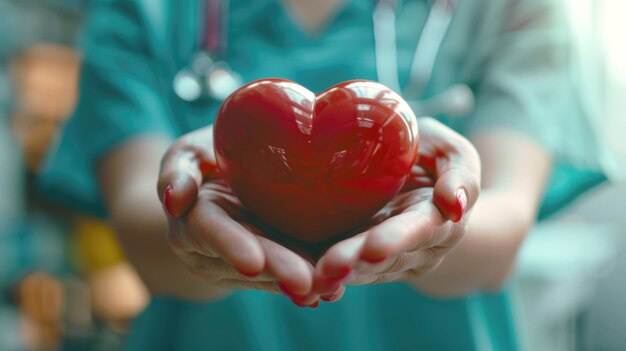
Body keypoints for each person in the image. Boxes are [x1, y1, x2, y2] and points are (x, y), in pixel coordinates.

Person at [40, 0, 605, 349]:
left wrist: (440, 225)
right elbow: (143, 226)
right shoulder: (145, 7)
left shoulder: (513, 7)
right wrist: (184, 222)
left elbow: (503, 225)